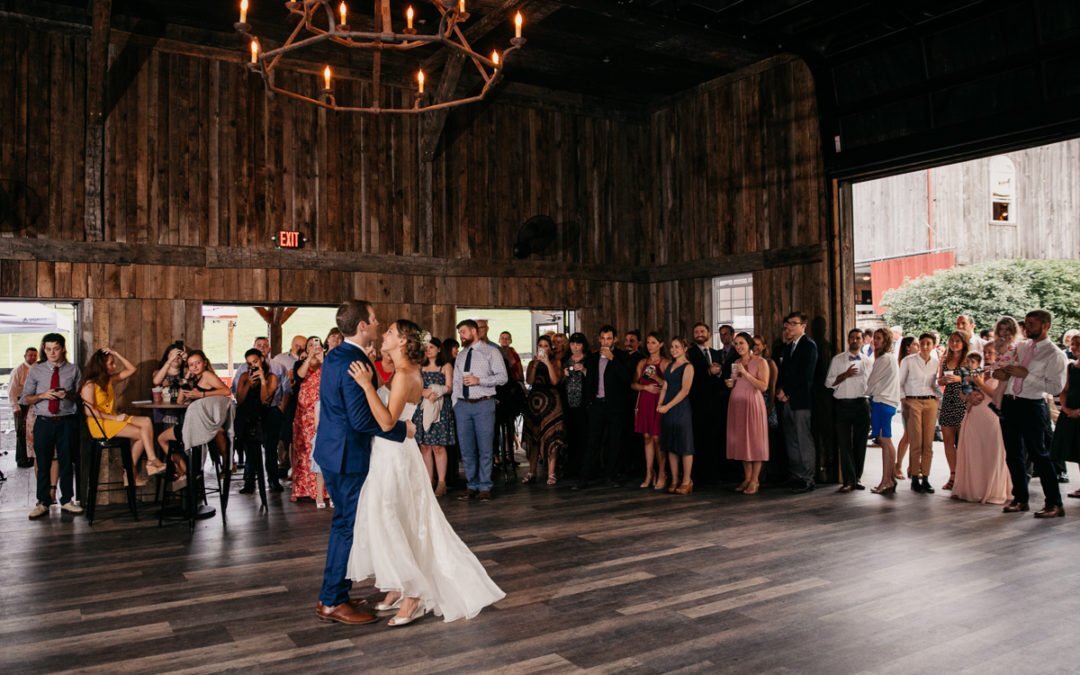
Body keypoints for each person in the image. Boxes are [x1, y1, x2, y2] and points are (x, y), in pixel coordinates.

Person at [346, 319, 505, 626]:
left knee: (392, 519)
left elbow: (387, 422)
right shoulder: (402, 372)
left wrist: (366, 386)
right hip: (390, 454)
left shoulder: (406, 375)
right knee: (394, 519)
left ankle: (414, 595)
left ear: (403, 341)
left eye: (391, 332)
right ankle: (399, 586)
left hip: (393, 455)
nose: (385, 334)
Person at [313, 300, 410, 625]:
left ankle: (334, 591)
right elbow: (360, 420)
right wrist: (401, 430)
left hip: (332, 449)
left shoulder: (337, 354)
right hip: (347, 456)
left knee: (344, 524)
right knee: (346, 527)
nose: (379, 322)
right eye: (374, 318)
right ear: (362, 327)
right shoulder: (354, 361)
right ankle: (332, 601)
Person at [996, 310, 1069, 518]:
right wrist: (1003, 373)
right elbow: (1008, 370)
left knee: (1039, 454)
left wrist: (1028, 375)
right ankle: (1020, 498)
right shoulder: (1021, 346)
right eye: (1026, 323)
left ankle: (1054, 503)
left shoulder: (1055, 354)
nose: (1027, 327)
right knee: (1013, 454)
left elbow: (1056, 387)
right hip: (1010, 402)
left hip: (1032, 405)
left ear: (1045, 326)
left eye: (1032, 323)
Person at [81, 348, 167, 483]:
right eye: (111, 363)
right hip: (99, 424)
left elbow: (132, 369)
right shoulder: (89, 385)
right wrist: (115, 418)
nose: (114, 366)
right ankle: (133, 471)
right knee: (142, 433)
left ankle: (148, 462)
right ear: (101, 365)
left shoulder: (109, 380)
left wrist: (116, 353)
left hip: (113, 419)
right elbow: (89, 411)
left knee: (146, 422)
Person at [20, 333, 83, 519]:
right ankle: (43, 502)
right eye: (48, 349)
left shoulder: (73, 370)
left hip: (67, 421)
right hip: (44, 422)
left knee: (66, 462)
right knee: (43, 462)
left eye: (55, 348)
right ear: (44, 349)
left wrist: (68, 395)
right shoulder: (36, 370)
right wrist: (42, 395)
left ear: (63, 348)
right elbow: (25, 398)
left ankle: (66, 501)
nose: (52, 352)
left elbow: (80, 396)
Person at [453, 319, 508, 501]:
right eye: (460, 332)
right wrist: (456, 403)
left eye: (463, 332)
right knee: (466, 449)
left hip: (484, 403)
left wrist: (480, 381)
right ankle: (471, 485)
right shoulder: (461, 355)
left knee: (485, 447)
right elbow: (455, 381)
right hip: (462, 405)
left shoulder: (491, 351)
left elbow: (503, 377)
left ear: (474, 331)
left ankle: (485, 486)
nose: (460, 336)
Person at [154, 350, 231, 480]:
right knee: (163, 438)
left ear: (205, 363)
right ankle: (188, 472)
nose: (195, 367)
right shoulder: (195, 379)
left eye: (198, 363)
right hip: (199, 424)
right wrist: (186, 380)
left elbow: (226, 390)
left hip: (202, 426)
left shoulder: (207, 375)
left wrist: (202, 395)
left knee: (161, 438)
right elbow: (179, 401)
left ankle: (186, 472)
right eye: (191, 364)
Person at [575, 325, 632, 490]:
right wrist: (589, 404)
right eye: (603, 338)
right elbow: (590, 382)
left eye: (609, 338)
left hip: (615, 407)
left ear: (615, 339)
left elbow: (627, 378)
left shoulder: (622, 356)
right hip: (597, 405)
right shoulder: (592, 358)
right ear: (599, 339)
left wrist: (612, 358)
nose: (606, 341)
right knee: (592, 442)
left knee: (614, 443)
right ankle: (584, 478)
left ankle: (611, 476)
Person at [952, 349, 1011, 504]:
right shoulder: (977, 371)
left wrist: (980, 384)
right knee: (973, 451)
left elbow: (998, 395)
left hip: (991, 418)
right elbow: (962, 393)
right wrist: (968, 397)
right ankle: (971, 488)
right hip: (973, 415)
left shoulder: (1002, 373)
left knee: (990, 453)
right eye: (986, 352)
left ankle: (991, 490)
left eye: (991, 352)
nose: (988, 355)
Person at [232, 337, 287, 492]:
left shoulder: (272, 377)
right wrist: (249, 383)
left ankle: (273, 480)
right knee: (251, 450)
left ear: (262, 359)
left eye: (255, 362)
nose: (253, 366)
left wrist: (262, 380)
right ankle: (249, 481)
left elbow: (265, 399)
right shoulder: (244, 376)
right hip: (250, 416)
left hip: (268, 414)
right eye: (249, 363)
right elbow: (240, 399)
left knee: (270, 449)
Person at [777, 311, 818, 492]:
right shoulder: (788, 346)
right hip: (786, 400)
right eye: (788, 324)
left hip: (801, 400)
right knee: (791, 439)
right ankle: (796, 474)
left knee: (803, 439)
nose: (790, 327)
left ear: (803, 326)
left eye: (794, 323)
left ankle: (808, 477)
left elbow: (805, 375)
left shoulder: (808, 346)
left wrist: (788, 392)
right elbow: (785, 372)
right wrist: (780, 390)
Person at [827, 328, 872, 492]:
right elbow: (828, 383)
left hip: (862, 404)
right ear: (848, 340)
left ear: (862, 341)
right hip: (843, 404)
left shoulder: (868, 361)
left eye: (858, 338)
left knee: (860, 443)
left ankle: (857, 478)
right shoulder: (838, 359)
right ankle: (848, 480)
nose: (855, 340)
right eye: (852, 338)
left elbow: (872, 384)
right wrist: (844, 375)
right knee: (844, 443)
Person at [726, 332, 769, 495]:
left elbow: (763, 386)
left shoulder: (761, 362)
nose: (738, 347)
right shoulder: (736, 362)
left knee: (755, 441)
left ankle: (755, 480)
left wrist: (745, 373)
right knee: (742, 441)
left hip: (752, 404)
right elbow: (736, 381)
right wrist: (731, 382)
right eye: (736, 344)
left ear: (749, 344)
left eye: (741, 343)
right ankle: (747, 477)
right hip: (737, 404)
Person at [522, 335, 566, 486]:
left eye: (546, 346)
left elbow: (555, 381)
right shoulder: (532, 362)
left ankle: (551, 473)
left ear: (550, 348)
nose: (543, 348)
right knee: (534, 437)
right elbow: (529, 381)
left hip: (552, 402)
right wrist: (535, 364)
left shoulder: (555, 362)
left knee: (551, 437)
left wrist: (547, 362)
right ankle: (531, 471)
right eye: (540, 345)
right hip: (535, 402)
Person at [415, 336, 455, 496]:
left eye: (431, 347)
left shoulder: (445, 366)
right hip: (423, 407)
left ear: (439, 349)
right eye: (426, 347)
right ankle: (428, 479)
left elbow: (450, 387)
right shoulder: (420, 367)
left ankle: (442, 481)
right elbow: (414, 385)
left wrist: (437, 391)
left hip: (440, 408)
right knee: (424, 445)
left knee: (438, 446)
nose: (428, 350)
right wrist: (423, 392)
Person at [900, 333, 940, 493]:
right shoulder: (908, 361)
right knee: (916, 440)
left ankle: (926, 477)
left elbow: (935, 384)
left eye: (928, 343)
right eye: (922, 343)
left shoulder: (936, 362)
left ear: (933, 346)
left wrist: (939, 397)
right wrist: (905, 400)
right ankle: (915, 477)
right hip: (913, 401)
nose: (924, 346)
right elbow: (900, 382)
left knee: (928, 443)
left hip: (931, 402)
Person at [291, 336, 326, 503]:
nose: (314, 347)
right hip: (305, 411)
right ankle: (302, 487)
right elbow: (299, 376)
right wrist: (309, 359)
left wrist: (322, 360)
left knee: (322, 446)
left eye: (317, 344)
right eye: (310, 345)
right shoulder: (300, 363)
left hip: (323, 409)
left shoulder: (327, 363)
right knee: (304, 446)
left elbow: (332, 378)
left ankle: (324, 490)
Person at [658, 336, 695, 495]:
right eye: (672, 346)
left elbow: (685, 391)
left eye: (677, 346)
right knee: (671, 445)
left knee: (684, 445)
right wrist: (659, 404)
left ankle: (687, 481)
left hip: (680, 407)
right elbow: (665, 386)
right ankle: (674, 479)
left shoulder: (688, 367)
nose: (673, 349)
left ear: (685, 349)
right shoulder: (670, 365)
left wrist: (667, 406)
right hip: (667, 407)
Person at [866, 329, 901, 495]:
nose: (875, 341)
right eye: (874, 338)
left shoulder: (884, 359)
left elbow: (871, 381)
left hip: (882, 401)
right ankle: (889, 478)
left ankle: (886, 480)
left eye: (879, 338)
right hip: (885, 401)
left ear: (886, 340)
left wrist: (866, 391)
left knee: (885, 440)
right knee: (884, 440)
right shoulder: (889, 358)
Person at [686, 322, 722, 482]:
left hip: (715, 403)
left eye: (702, 331)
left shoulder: (715, 353)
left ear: (708, 333)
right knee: (699, 437)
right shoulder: (690, 353)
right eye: (696, 331)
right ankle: (699, 474)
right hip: (697, 403)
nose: (699, 334)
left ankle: (713, 473)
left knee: (714, 437)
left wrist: (719, 372)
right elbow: (690, 376)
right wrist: (708, 371)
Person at [632, 332, 669, 489]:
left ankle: (662, 473)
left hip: (658, 402)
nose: (650, 345)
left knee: (657, 439)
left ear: (660, 344)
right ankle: (649, 473)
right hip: (645, 402)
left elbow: (669, 386)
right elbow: (633, 384)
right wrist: (645, 386)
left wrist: (656, 378)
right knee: (646, 437)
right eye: (648, 342)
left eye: (653, 342)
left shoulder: (665, 363)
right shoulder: (642, 362)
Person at [937, 331, 971, 491]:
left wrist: (960, 379)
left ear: (964, 343)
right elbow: (938, 379)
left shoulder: (969, 359)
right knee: (948, 441)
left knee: (964, 442)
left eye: (958, 341)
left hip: (963, 402)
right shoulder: (944, 359)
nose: (954, 343)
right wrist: (942, 380)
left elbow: (979, 377)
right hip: (948, 400)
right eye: (952, 340)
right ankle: (953, 474)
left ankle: (965, 476)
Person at [274, 334, 308, 480]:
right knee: (284, 430)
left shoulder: (309, 359)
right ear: (292, 344)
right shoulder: (280, 359)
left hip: (304, 399)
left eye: (303, 345)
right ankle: (283, 463)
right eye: (297, 344)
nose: (299, 347)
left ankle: (301, 465)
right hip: (287, 398)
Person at [1052, 333, 1080, 495]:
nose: (1075, 347)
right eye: (1073, 344)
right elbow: (1065, 390)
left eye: (1078, 344)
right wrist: (1066, 408)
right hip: (1070, 411)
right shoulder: (1071, 367)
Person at [561, 332, 590, 479]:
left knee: (583, 436)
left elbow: (594, 381)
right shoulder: (565, 360)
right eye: (573, 344)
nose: (575, 347)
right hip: (568, 403)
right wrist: (564, 375)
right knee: (571, 436)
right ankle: (571, 467)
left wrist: (584, 370)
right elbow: (559, 382)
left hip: (583, 404)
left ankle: (584, 468)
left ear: (583, 345)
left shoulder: (589, 359)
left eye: (578, 344)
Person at [892, 336, 918, 479]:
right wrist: (904, 399)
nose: (918, 346)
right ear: (908, 347)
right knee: (908, 435)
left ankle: (911, 466)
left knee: (915, 436)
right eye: (915, 344)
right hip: (908, 401)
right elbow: (901, 383)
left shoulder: (918, 360)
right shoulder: (905, 362)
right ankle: (898, 465)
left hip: (917, 400)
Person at [9, 346, 37, 468]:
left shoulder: (38, 368)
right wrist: (15, 407)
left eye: (35, 355)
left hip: (34, 403)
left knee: (31, 432)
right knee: (21, 431)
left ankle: (31, 457)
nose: (32, 357)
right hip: (21, 404)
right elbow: (12, 391)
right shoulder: (19, 370)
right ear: (25, 356)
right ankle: (21, 459)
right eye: (30, 355)